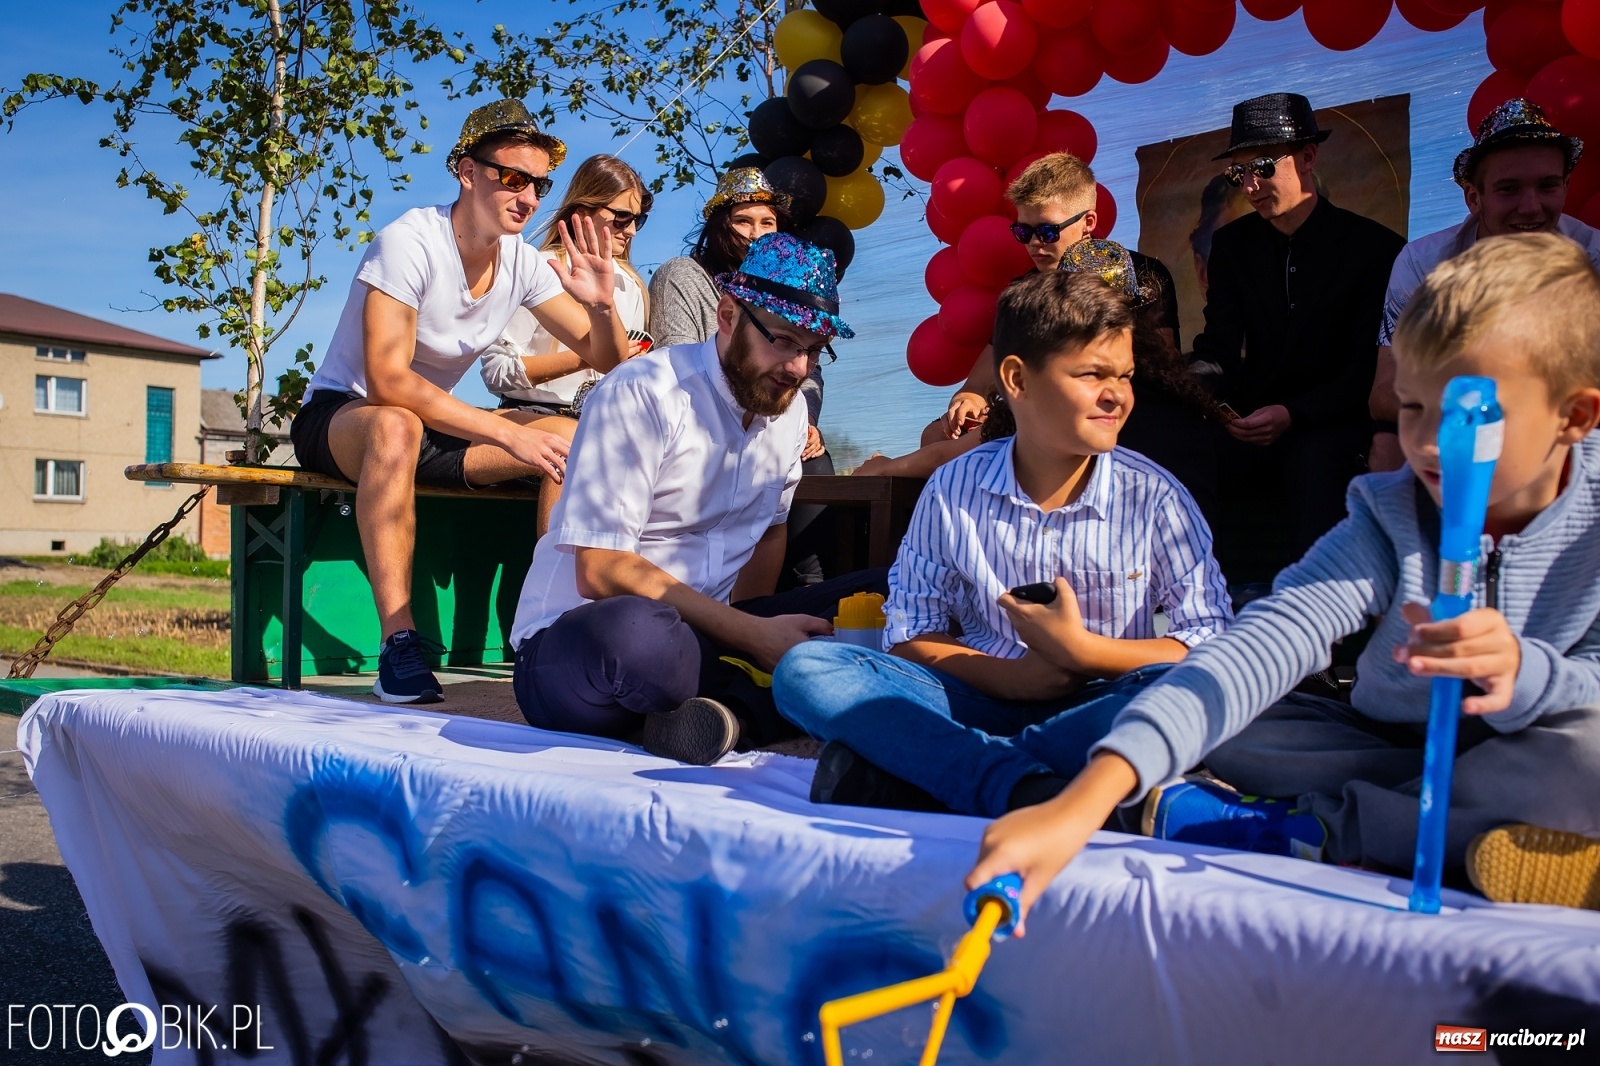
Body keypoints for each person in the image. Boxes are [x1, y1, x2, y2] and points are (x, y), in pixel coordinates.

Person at [967, 234, 1600, 919]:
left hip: (1541, 740)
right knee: (1230, 712)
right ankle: (1485, 837)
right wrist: (1083, 804)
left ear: (1575, 417)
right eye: (1412, 409)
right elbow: (1271, 639)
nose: (1426, 444)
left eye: (1469, 417)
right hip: (1387, 748)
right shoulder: (1391, 511)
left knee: (1583, 760)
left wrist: (1524, 673)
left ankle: (1329, 832)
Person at [771, 269, 1232, 817]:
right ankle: (1027, 787)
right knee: (807, 671)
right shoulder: (953, 487)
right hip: (975, 697)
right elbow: (912, 634)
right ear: (1016, 378)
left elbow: (1208, 639)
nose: (1116, 397)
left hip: (1100, 702)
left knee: (1194, 694)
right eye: (1091, 374)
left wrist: (1085, 655)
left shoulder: (1154, 496)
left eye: (1126, 376)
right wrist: (1016, 680)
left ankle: (943, 773)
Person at [289, 99, 628, 705]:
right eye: (512, 178)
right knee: (395, 426)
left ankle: (546, 633)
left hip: (427, 427)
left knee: (572, 437)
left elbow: (607, 357)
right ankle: (398, 645)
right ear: (467, 172)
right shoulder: (409, 241)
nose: (527, 196)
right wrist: (505, 432)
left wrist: (603, 306)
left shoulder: (521, 261)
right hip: (343, 416)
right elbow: (389, 380)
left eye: (539, 184)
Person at [509, 234, 887, 765]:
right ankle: (765, 698)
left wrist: (752, 622)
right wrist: (752, 635)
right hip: (582, 643)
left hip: (707, 637)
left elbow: (771, 532)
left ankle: (722, 720)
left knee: (891, 593)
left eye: (813, 350)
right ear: (728, 315)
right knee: (639, 640)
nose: (798, 368)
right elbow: (598, 571)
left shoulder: (791, 412)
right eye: (783, 341)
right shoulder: (643, 392)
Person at [1192, 92, 1405, 582]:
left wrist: (1294, 414)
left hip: (1334, 421)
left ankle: (1320, 638)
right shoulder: (1231, 245)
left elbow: (1367, 368)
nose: (1250, 184)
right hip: (1256, 417)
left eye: (1263, 165)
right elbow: (1220, 348)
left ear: (1308, 157)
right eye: (1238, 172)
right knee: (1184, 446)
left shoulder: (1375, 248)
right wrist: (1190, 391)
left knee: (1315, 463)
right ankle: (1200, 613)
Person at [1369, 98, 1596, 473]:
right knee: (1387, 445)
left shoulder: (1594, 258)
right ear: (1474, 197)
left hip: (1572, 436)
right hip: (1461, 436)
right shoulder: (1425, 266)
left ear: (1567, 185)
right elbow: (1384, 394)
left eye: (1547, 186)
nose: (1531, 206)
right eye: (1509, 189)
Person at [917, 153, 1182, 452]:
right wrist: (969, 399)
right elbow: (979, 381)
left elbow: (1163, 371)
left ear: (1088, 222)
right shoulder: (1023, 290)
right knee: (936, 435)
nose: (1033, 243)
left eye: (1046, 231)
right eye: (1022, 231)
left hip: (1124, 418)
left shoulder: (1142, 273)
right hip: (1044, 421)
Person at [651, 166, 835, 586]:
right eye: (743, 221)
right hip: (701, 418)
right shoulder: (684, 275)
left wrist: (803, 419)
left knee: (814, 460)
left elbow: (808, 367)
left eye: (767, 223)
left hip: (772, 414)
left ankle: (809, 584)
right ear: (720, 226)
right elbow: (677, 357)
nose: (756, 233)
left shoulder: (788, 284)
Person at [478, 154, 654, 531]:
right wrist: (587, 356)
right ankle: (550, 577)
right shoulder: (540, 269)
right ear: (582, 211)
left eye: (639, 219)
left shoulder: (633, 286)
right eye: (622, 217)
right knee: (573, 449)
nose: (633, 230)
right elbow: (497, 372)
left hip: (606, 425)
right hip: (535, 417)